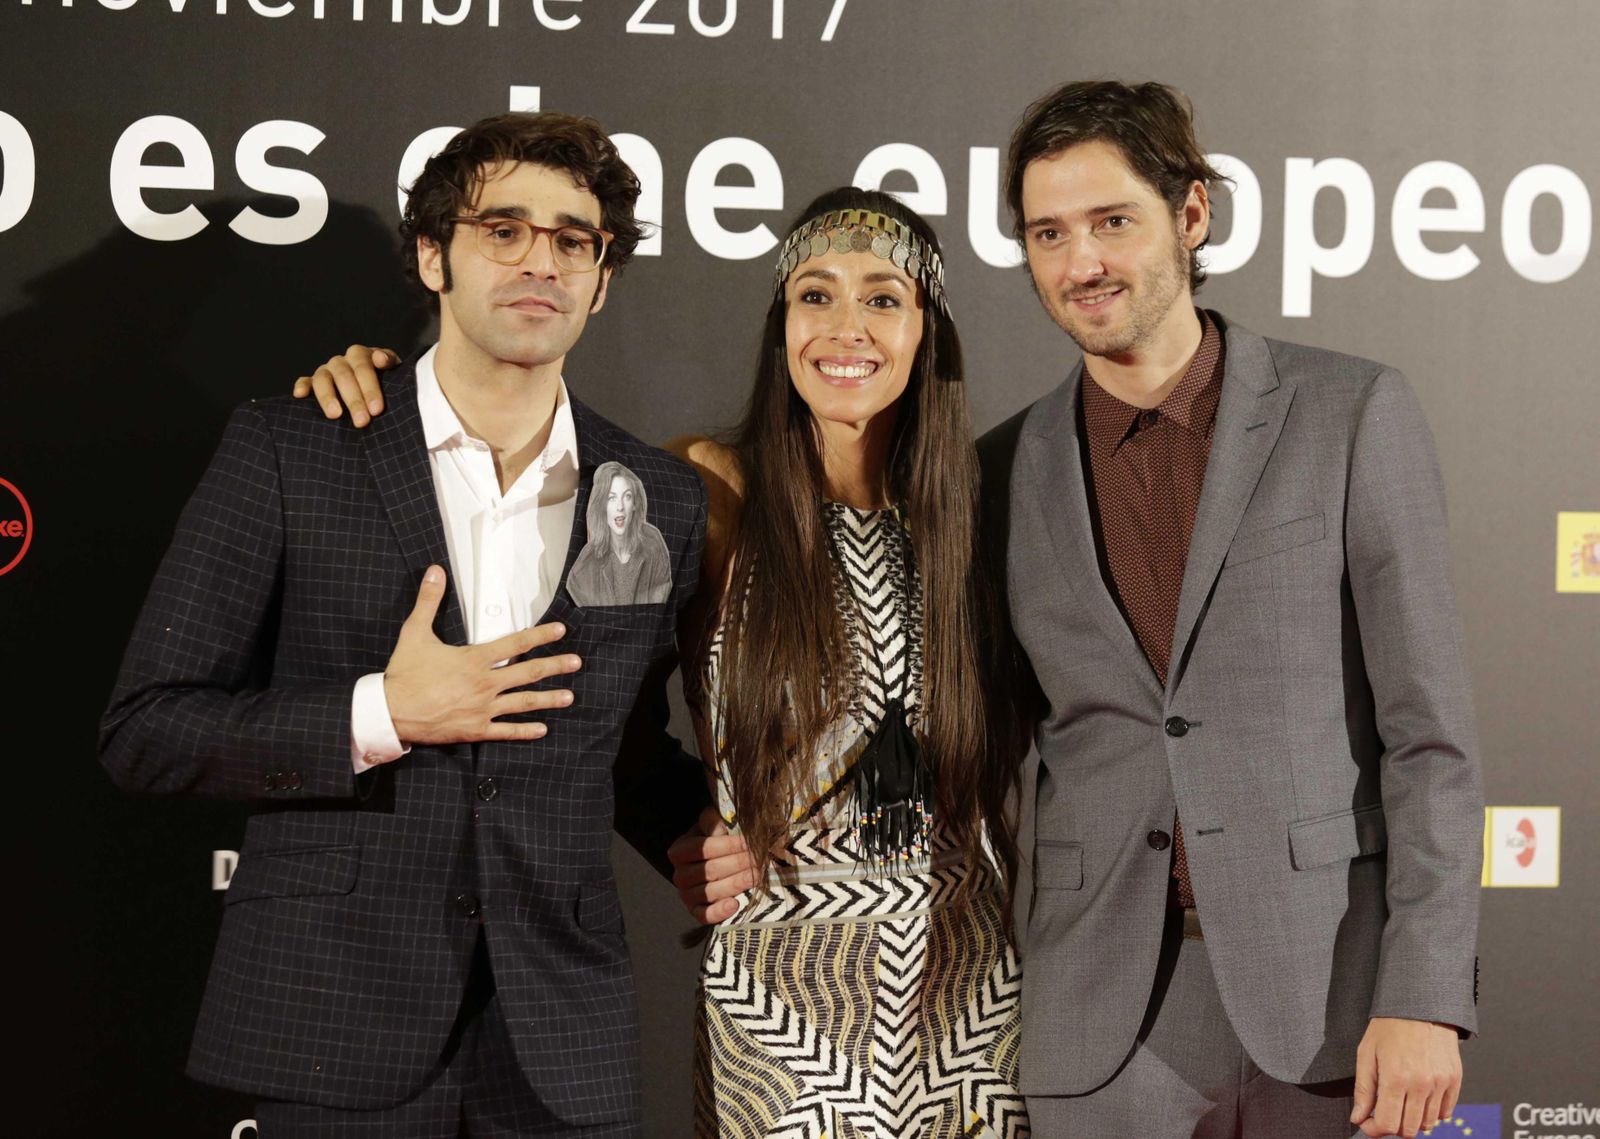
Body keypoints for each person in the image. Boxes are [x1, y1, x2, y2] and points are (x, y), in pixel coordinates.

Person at [300, 187, 1031, 1139]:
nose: (846, 327)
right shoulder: (701, 490)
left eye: (883, 298)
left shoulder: (991, 505)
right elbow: (598, 717)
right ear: (780, 326)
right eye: (815, 295)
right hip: (782, 1001)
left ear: (927, 328)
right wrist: (682, 833)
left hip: (969, 990)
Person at [100, 110, 708, 1138]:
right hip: (334, 1022)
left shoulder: (655, 494)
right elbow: (146, 729)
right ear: (433, 255)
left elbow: (617, 743)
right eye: (502, 229)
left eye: (573, 239)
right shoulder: (294, 447)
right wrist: (385, 710)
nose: (539, 262)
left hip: (559, 1042)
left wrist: (703, 835)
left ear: (601, 279)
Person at [977, 81, 1484, 1139]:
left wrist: (1425, 989)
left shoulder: (1350, 412)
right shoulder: (996, 470)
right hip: (1099, 1018)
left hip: (1331, 1005)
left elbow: (1427, 735)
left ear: (1191, 215)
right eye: (1048, 233)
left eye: (1113, 221)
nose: (1082, 264)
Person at [567, 460, 673, 606]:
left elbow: (660, 600)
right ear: (601, 506)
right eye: (612, 498)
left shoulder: (653, 541)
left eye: (627, 496)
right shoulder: (587, 562)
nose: (620, 507)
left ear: (635, 504)